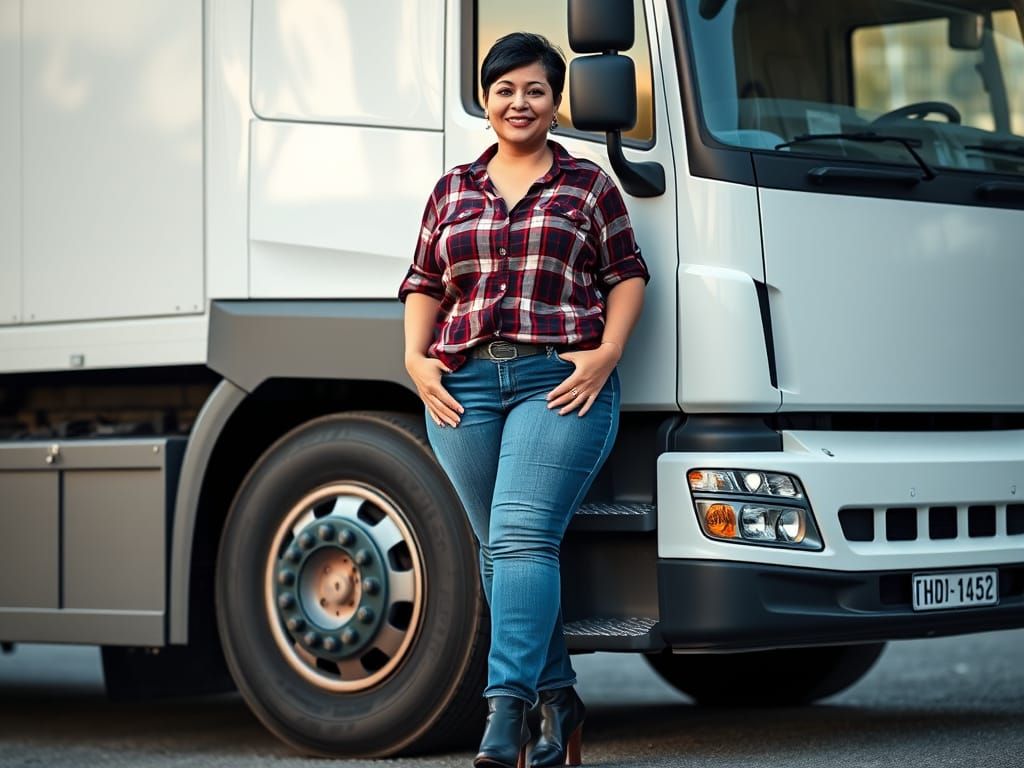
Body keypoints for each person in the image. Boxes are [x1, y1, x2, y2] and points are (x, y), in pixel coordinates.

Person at [399, 32, 648, 768]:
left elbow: (626, 274)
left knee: (519, 537)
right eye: (505, 89)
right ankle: (560, 700)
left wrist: (606, 354)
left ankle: (504, 714)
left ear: (555, 101)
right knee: (498, 549)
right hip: (463, 387)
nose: (520, 102)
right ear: (486, 99)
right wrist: (416, 361)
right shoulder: (452, 189)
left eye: (535, 90)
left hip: (557, 383)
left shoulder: (588, 185)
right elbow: (424, 283)